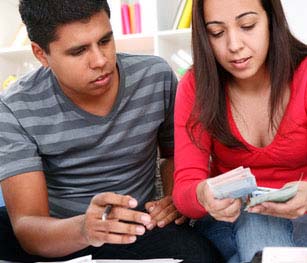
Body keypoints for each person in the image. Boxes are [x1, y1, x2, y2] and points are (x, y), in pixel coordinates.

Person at [0, 1, 219, 262]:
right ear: (41, 54)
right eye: (78, 51)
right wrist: (85, 228)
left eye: (105, 41)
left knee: (201, 254)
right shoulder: (15, 107)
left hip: (137, 228)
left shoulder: (155, 76)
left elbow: (175, 154)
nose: (100, 60)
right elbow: (29, 226)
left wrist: (173, 198)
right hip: (61, 234)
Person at [172, 0, 307, 262]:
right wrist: (203, 195)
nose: (233, 45)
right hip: (233, 220)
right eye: (217, 33)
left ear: (271, 19)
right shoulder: (196, 86)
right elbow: (185, 189)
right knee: (256, 222)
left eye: (247, 25)